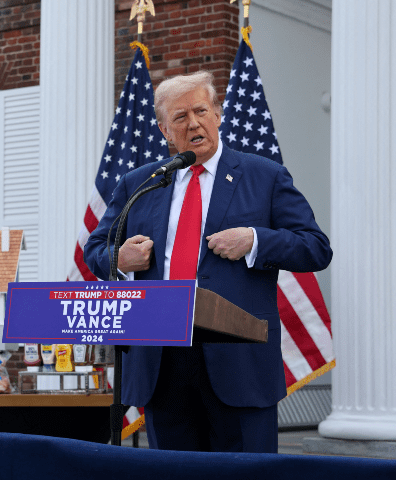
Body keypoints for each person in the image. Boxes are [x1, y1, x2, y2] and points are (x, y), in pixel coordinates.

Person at [83, 71, 332, 453]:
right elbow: (95, 248)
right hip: (161, 361)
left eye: (201, 110)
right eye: (180, 117)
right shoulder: (140, 183)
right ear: (166, 130)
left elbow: (315, 247)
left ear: (217, 115)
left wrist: (255, 240)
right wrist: (119, 257)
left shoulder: (264, 176)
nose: (193, 123)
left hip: (239, 359)